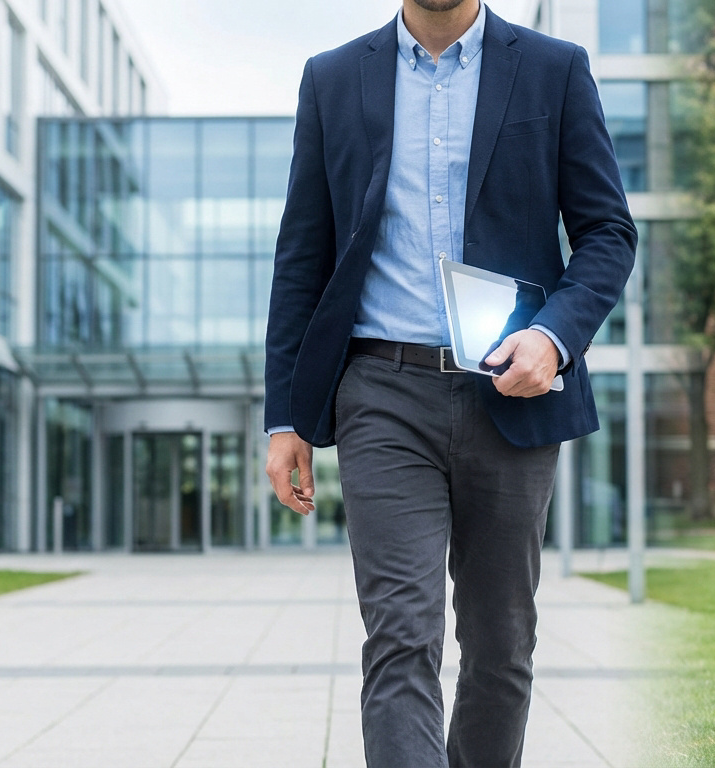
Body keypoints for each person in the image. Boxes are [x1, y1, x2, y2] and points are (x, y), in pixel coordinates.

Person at [262, 1, 636, 766]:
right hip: (380, 390)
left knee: (501, 643)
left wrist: (553, 337)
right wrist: (284, 417)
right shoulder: (334, 79)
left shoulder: (554, 69)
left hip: (509, 391)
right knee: (400, 633)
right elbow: (302, 253)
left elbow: (608, 232)